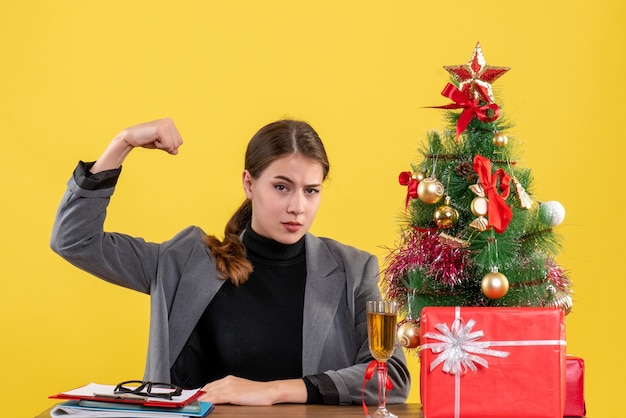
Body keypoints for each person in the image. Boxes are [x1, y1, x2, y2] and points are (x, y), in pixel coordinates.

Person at [50, 118, 410, 406]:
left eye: (311, 190)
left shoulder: (352, 269)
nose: (297, 207)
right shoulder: (186, 262)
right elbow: (74, 240)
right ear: (249, 184)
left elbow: (391, 377)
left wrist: (273, 391)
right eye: (281, 187)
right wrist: (123, 143)